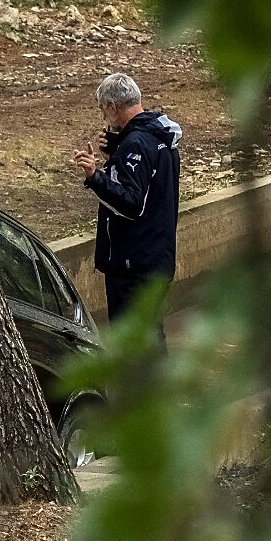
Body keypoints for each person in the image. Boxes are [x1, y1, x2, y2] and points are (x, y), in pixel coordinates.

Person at [72, 73, 182, 347]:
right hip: (157, 256)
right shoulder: (160, 135)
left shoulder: (136, 144)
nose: (104, 118)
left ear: (112, 106)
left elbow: (131, 205)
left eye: (103, 110)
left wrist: (94, 176)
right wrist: (116, 153)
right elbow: (150, 183)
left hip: (134, 264)